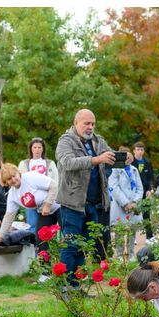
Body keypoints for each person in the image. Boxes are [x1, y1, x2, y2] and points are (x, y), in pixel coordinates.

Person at [55, 109, 131, 293]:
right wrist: (97, 159)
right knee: (71, 244)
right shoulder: (66, 141)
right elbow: (68, 163)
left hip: (93, 204)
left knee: (84, 247)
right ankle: (64, 287)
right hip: (72, 203)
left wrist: (123, 158)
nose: (90, 127)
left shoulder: (98, 140)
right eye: (86, 123)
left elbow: (108, 158)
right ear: (76, 123)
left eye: (92, 124)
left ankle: (75, 287)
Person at [0, 164, 59, 252]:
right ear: (5, 182)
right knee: (40, 241)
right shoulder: (12, 195)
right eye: (9, 179)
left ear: (18, 173)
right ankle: (43, 265)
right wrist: (0, 237)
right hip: (44, 212)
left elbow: (54, 185)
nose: (13, 180)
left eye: (14, 176)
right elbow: (8, 217)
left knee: (69, 236)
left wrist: (48, 204)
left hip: (60, 206)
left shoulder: (30, 177)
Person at [109, 146, 143, 260]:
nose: (126, 159)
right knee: (120, 229)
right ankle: (119, 254)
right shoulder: (115, 170)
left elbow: (139, 188)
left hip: (133, 206)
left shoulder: (134, 169)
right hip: (120, 206)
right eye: (124, 156)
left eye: (128, 156)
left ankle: (131, 253)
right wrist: (125, 203)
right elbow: (114, 187)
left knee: (132, 229)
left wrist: (134, 202)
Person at [18, 138, 59, 233]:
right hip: (30, 199)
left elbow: (55, 181)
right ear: (31, 149)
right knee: (32, 226)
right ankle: (34, 247)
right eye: (35, 147)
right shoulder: (24, 163)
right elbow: (21, 182)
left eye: (39, 147)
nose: (37, 149)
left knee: (46, 228)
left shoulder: (50, 163)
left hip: (46, 199)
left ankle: (45, 248)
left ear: (43, 149)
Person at [131, 142, 155, 239]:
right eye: (138, 149)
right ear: (134, 151)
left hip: (145, 191)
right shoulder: (131, 163)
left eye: (141, 149)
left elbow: (151, 177)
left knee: (146, 214)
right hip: (134, 192)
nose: (140, 152)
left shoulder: (147, 162)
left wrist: (150, 189)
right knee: (133, 213)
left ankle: (149, 236)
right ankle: (133, 237)